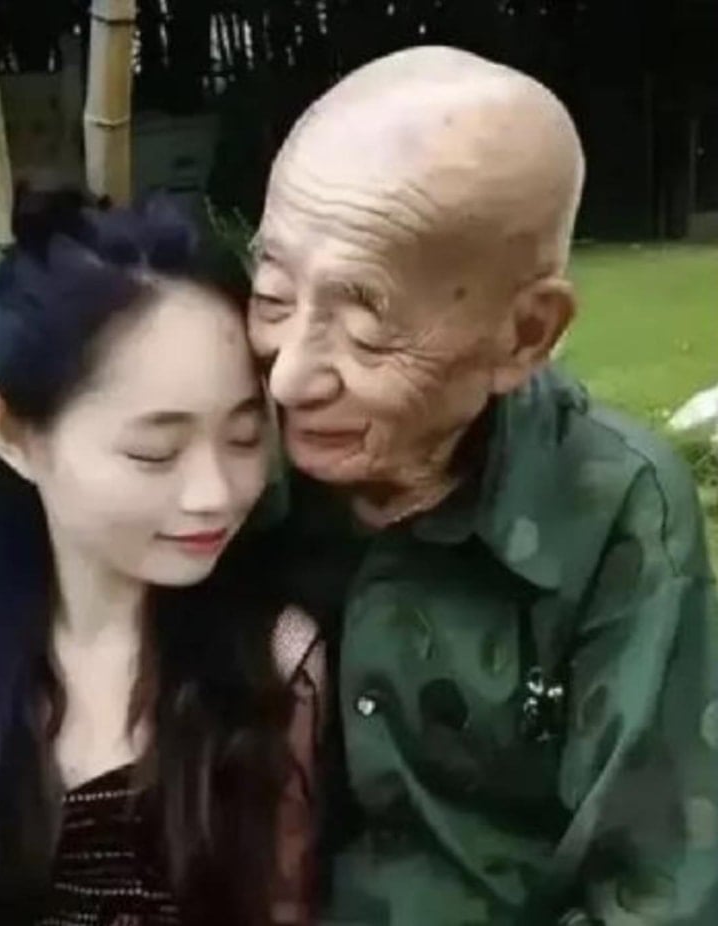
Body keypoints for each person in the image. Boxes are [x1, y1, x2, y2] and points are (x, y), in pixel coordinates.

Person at [248, 46, 718, 925]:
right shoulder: (217, 453)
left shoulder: (615, 511)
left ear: (526, 335)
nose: (289, 377)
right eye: (272, 296)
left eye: (366, 331)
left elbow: (654, 891)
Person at [0, 190, 322, 926]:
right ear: (14, 434)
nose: (214, 494)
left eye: (243, 437)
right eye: (154, 452)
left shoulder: (277, 666)